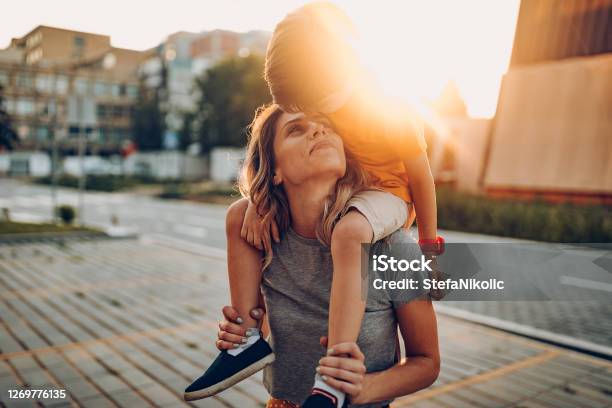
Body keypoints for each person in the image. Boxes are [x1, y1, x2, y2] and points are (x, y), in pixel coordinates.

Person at [186, 3, 445, 407]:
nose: (321, 127)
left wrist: (429, 249)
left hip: (393, 202)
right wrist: (244, 327)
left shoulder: (392, 248)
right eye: (298, 129)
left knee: (351, 232)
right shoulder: (262, 233)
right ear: (274, 169)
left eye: (323, 122)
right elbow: (282, 321)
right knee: (237, 214)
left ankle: (335, 376)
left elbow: (427, 361)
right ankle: (246, 348)